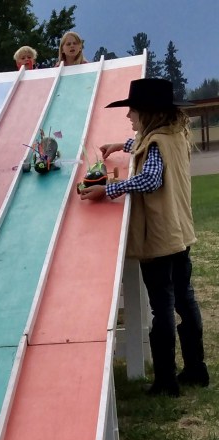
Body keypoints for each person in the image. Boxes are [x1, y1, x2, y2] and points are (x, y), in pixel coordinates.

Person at [80, 78, 207, 396]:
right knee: (185, 299)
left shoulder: (155, 143)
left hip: (160, 237)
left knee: (162, 307)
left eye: (133, 111)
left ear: (148, 113)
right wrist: (119, 145)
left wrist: (108, 188)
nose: (128, 116)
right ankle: (196, 368)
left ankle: (166, 381)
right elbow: (146, 148)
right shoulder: (173, 135)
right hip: (180, 232)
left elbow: (150, 179)